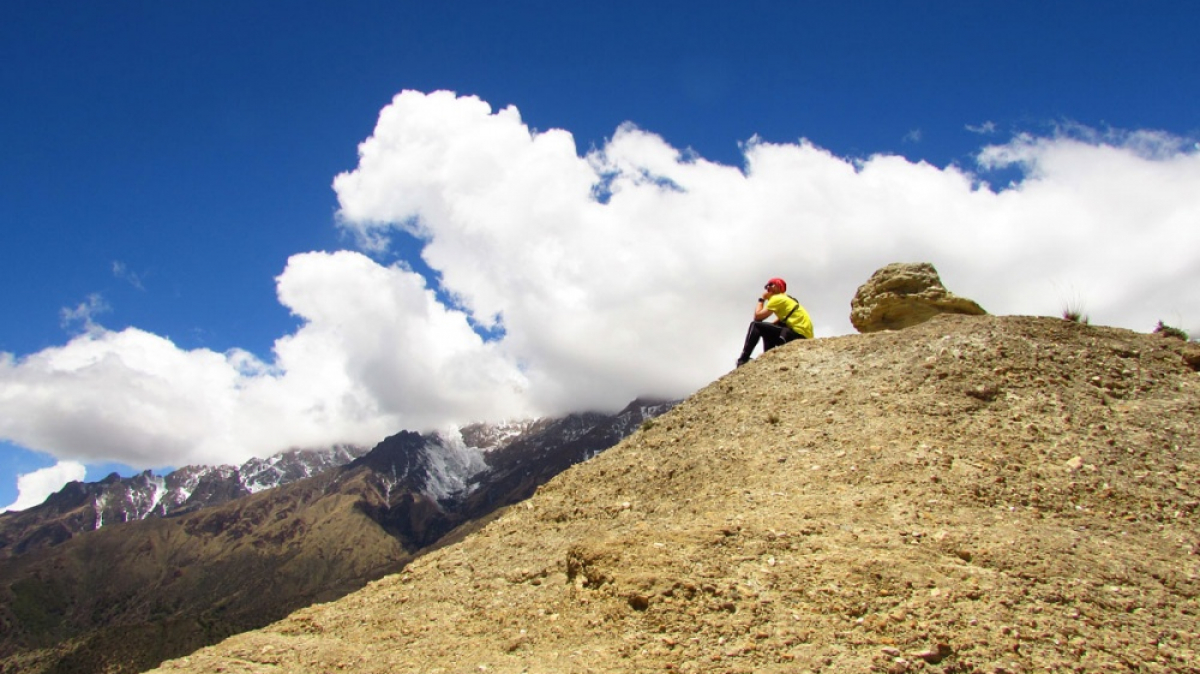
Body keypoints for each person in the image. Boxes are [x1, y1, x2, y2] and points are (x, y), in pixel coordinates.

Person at [736, 277, 813, 366]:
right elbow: (781, 320)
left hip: (796, 334)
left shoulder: (776, 298)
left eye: (771, 285)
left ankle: (743, 359)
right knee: (767, 329)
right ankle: (769, 358)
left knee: (756, 325)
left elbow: (758, 317)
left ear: (778, 286)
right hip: (802, 335)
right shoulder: (788, 299)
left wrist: (761, 299)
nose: (767, 288)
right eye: (766, 286)